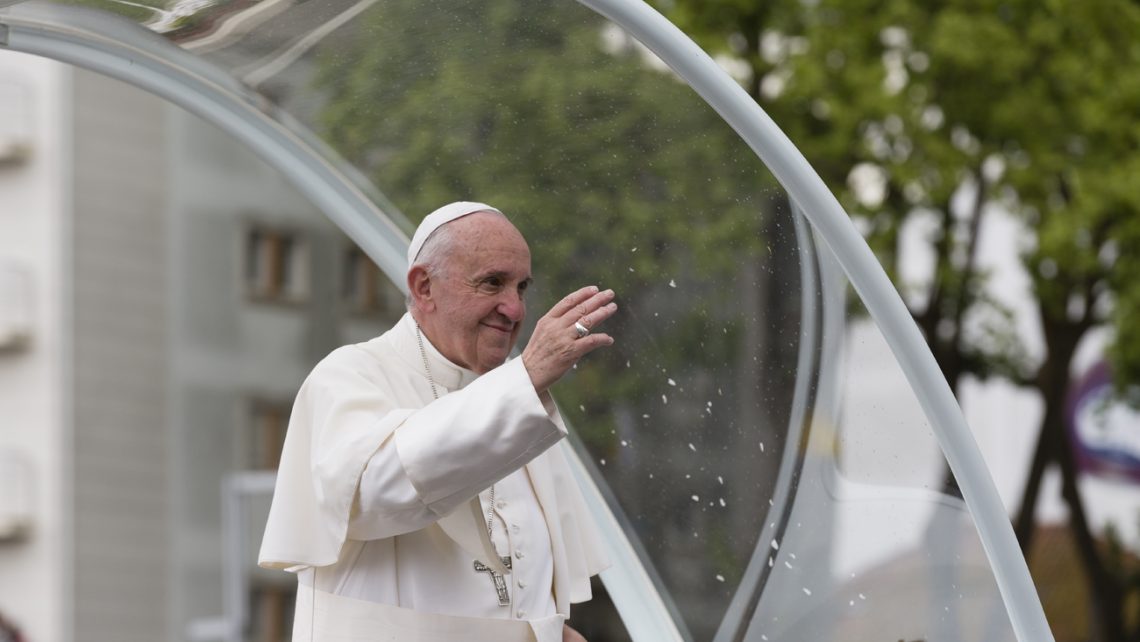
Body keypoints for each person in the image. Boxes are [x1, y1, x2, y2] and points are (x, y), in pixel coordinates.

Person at [259, 201, 618, 642]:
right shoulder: (350, 375)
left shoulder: (520, 400)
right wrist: (522, 382)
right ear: (425, 286)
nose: (515, 309)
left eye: (521, 287)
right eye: (493, 283)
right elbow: (373, 493)